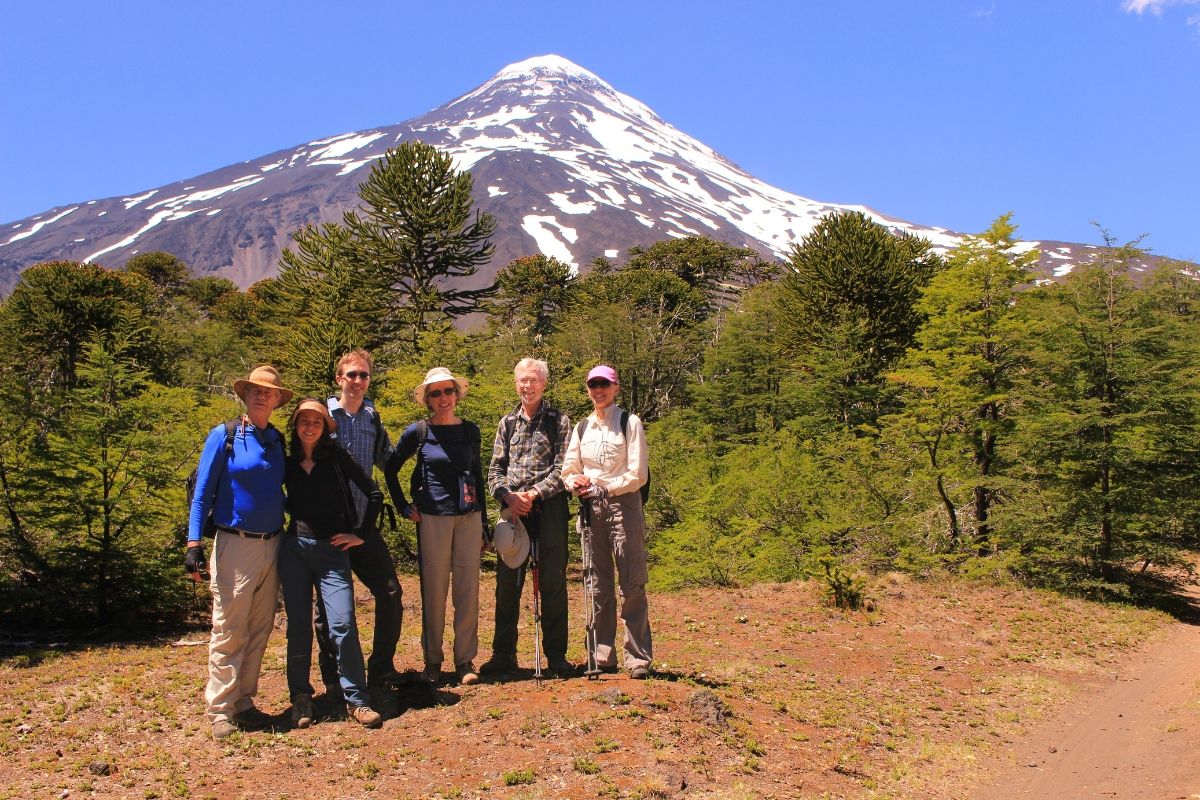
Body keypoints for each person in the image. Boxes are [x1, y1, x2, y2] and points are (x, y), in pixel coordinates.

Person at [185, 365, 291, 740]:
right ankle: (220, 710)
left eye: (269, 391)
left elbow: (278, 492)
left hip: (272, 544)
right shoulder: (225, 435)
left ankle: (244, 703)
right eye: (255, 390)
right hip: (234, 543)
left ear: (278, 399)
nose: (262, 395)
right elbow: (202, 493)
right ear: (245, 395)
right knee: (229, 627)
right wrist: (194, 543)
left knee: (260, 628)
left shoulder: (276, 441)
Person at [279, 398, 383, 729]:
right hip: (294, 549)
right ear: (295, 425)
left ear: (325, 428)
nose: (309, 426)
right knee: (297, 628)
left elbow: (374, 493)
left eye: (317, 421)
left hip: (332, 550)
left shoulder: (336, 456)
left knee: (343, 623)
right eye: (303, 420)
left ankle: (357, 700)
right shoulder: (286, 462)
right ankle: (301, 698)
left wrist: (359, 534)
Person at [384, 367, 489, 687]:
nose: (443, 398)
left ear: (457, 394)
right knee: (434, 591)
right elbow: (390, 467)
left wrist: (483, 523)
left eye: (448, 391)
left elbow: (477, 476)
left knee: (468, 591)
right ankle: (432, 661)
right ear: (427, 399)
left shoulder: (470, 431)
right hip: (432, 519)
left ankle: (465, 660)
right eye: (436, 393)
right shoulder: (418, 432)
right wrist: (403, 505)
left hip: (469, 519)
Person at [315, 349, 403, 697]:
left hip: (364, 526)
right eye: (351, 374)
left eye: (363, 375)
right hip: (328, 527)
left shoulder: (371, 418)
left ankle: (381, 668)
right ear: (339, 378)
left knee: (391, 593)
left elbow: (389, 463)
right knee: (328, 609)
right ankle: (333, 679)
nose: (357, 381)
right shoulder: (321, 416)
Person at [481, 358, 573, 680]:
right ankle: (502, 655)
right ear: (515, 383)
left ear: (544, 384)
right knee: (507, 584)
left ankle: (557, 656)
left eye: (533, 380)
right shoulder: (506, 424)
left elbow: (565, 470)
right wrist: (508, 497)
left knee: (553, 583)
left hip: (549, 510)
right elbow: (494, 471)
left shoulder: (559, 421)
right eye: (522, 380)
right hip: (512, 512)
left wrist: (532, 495)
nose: (527, 386)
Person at [561, 365, 653, 679]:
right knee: (596, 586)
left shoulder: (630, 422)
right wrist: (575, 483)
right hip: (590, 509)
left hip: (623, 505)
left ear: (615, 388)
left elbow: (638, 473)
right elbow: (569, 469)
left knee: (632, 582)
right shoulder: (582, 427)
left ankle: (637, 658)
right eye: (593, 385)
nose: (598, 390)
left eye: (604, 384)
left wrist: (606, 487)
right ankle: (602, 655)